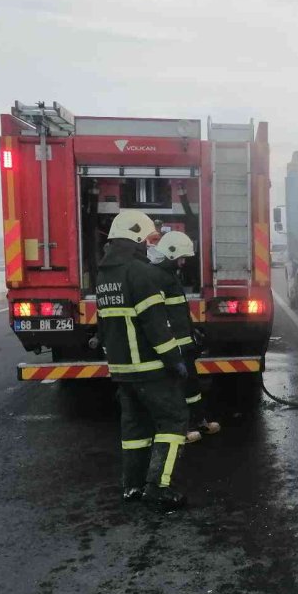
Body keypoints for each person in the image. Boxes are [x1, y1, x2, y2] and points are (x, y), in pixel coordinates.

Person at [95, 210, 190, 511]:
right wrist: (174, 359)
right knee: (173, 420)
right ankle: (158, 487)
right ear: (134, 237)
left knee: (134, 429)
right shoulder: (141, 273)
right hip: (150, 368)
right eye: (148, 239)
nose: (151, 246)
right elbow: (155, 326)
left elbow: (103, 323)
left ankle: (132, 486)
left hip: (123, 370)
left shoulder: (105, 275)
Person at [148, 231, 221, 438]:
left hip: (184, 342)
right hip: (174, 345)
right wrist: (171, 344)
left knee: (192, 385)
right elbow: (158, 314)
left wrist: (192, 333)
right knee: (176, 388)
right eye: (181, 258)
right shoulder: (158, 278)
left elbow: (178, 311)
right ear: (170, 254)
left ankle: (198, 421)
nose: (183, 263)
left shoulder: (168, 276)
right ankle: (183, 429)